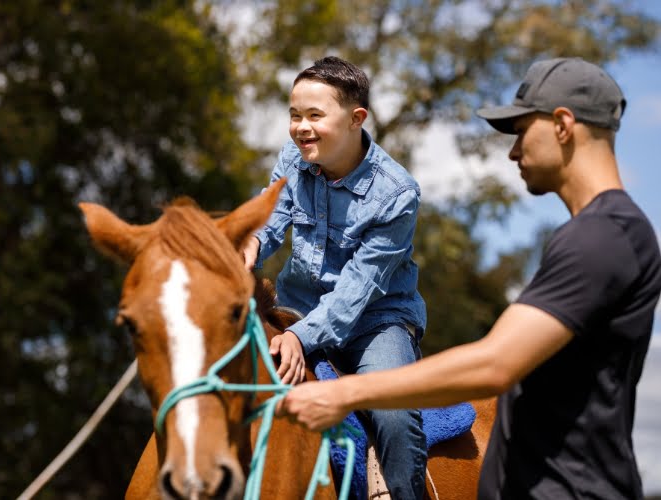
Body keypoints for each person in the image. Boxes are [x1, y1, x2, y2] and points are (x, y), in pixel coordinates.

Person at [278, 57, 661, 499]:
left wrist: (344, 394)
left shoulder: (602, 238)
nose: (513, 152)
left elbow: (494, 363)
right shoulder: (591, 234)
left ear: (562, 124)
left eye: (520, 132)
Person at [243, 56, 428, 499]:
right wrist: (247, 248)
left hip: (374, 321)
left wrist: (299, 338)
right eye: (294, 115)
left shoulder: (397, 194)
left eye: (314, 115)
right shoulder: (294, 156)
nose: (301, 127)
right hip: (295, 304)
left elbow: (355, 294)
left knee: (393, 416)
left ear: (355, 119)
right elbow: (270, 221)